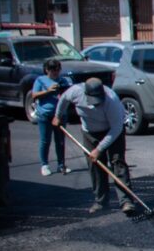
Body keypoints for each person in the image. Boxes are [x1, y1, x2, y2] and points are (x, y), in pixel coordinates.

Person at [53, 78, 136, 215]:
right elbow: (64, 99)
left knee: (118, 163)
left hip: (112, 131)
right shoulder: (75, 92)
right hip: (90, 132)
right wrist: (58, 115)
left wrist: (99, 149)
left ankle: (126, 201)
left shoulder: (111, 100)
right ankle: (101, 202)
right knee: (95, 165)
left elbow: (116, 128)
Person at [32, 59, 72, 176]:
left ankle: (61, 165)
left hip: (60, 115)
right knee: (45, 140)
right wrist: (48, 91)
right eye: (53, 70)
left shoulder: (63, 80)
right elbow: (34, 95)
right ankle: (44, 165)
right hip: (45, 115)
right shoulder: (40, 80)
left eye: (57, 70)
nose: (55, 73)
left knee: (60, 141)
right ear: (47, 70)